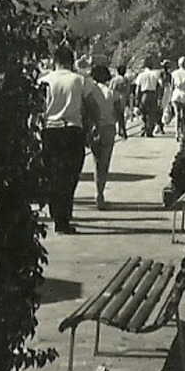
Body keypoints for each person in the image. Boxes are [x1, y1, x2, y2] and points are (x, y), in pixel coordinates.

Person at [39, 43, 101, 233]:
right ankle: (63, 219)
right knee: (70, 176)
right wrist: (95, 126)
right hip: (73, 132)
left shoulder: (44, 80)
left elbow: (37, 109)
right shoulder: (80, 80)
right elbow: (93, 106)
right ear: (71, 62)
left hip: (49, 131)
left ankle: (56, 213)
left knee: (52, 174)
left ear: (54, 62)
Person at [87, 65, 120, 209]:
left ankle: (98, 192)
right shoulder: (111, 92)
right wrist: (123, 129)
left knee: (96, 162)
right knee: (105, 163)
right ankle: (99, 194)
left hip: (94, 129)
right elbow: (119, 111)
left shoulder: (90, 91)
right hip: (109, 129)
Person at [133, 58, 164, 138]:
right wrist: (159, 98)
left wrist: (137, 100)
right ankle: (149, 131)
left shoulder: (141, 75)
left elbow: (137, 89)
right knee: (151, 114)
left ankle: (143, 129)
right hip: (153, 95)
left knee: (143, 112)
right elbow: (159, 87)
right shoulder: (155, 75)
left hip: (144, 94)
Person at [170, 56, 185, 140]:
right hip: (184, 94)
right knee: (184, 115)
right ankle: (183, 132)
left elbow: (172, 86)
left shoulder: (174, 73)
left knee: (177, 114)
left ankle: (177, 133)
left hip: (176, 94)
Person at [108, 64, 132, 140]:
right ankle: (122, 131)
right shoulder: (126, 80)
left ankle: (118, 131)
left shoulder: (114, 80)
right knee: (121, 115)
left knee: (114, 115)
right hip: (123, 98)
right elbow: (128, 90)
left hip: (115, 97)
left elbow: (110, 89)